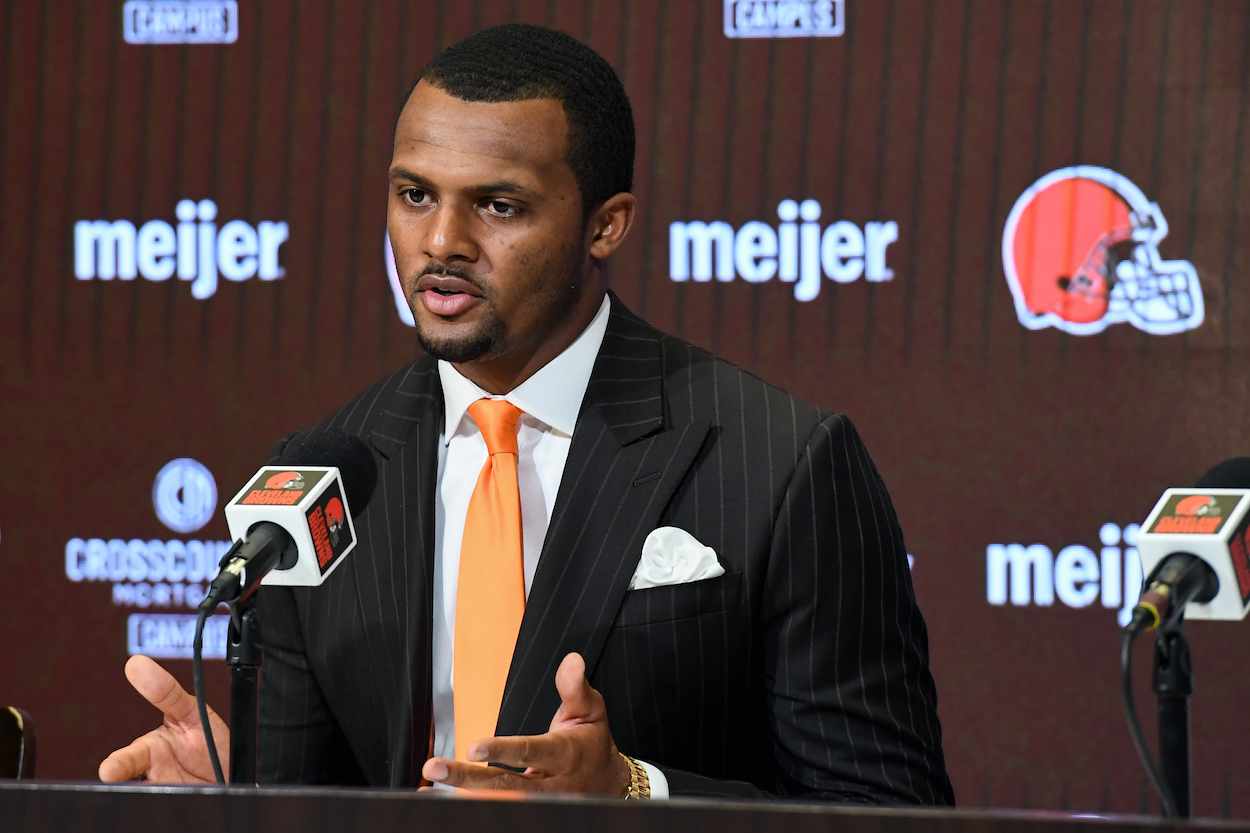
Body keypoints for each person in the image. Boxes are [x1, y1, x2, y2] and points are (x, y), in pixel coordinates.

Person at [99, 23, 955, 803]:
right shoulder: (329, 471)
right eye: (414, 195)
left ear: (606, 226)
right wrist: (232, 794)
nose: (441, 242)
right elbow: (316, 795)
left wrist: (635, 792)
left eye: (497, 206)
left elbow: (893, 814)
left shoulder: (783, 461)